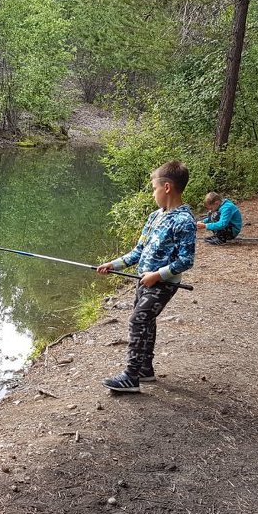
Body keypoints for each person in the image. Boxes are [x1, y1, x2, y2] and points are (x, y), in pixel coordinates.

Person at [96, 160, 196, 393]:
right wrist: (113, 263)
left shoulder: (184, 221)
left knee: (138, 319)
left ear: (167, 187)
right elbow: (138, 252)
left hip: (163, 284)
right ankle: (145, 370)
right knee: (146, 322)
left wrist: (157, 275)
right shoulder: (154, 216)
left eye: (154, 188)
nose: (153, 193)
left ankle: (131, 377)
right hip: (144, 281)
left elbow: (186, 260)